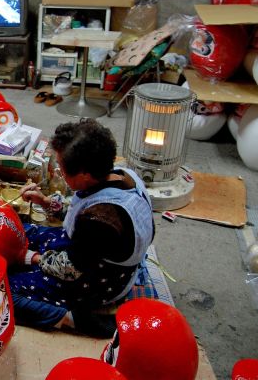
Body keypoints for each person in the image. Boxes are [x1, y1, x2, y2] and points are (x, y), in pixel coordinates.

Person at [8, 118, 155, 337]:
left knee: (6, 292)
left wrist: (29, 257)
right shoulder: (125, 175)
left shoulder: (100, 219)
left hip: (99, 281)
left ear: (85, 174)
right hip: (93, 251)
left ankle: (73, 319)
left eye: (63, 170)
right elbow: (83, 207)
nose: (59, 173)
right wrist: (46, 202)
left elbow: (69, 269)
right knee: (22, 229)